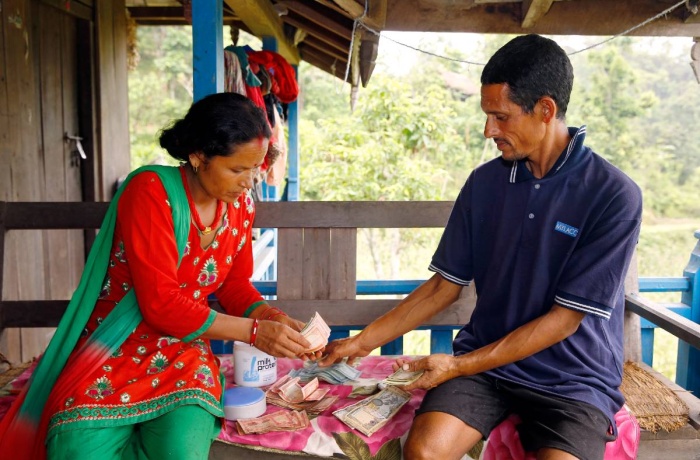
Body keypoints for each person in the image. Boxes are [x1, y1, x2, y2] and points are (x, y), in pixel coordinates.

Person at [321, 34, 642, 460]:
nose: (490, 130)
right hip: (487, 369)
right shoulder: (485, 184)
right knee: (424, 452)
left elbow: (563, 321)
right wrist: (359, 343)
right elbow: (442, 288)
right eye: (487, 115)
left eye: (501, 117)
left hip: (573, 377)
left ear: (546, 110)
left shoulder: (612, 194)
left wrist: (456, 366)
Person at [0, 92, 314, 460]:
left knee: (179, 450)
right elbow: (162, 304)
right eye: (237, 169)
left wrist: (270, 318)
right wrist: (257, 333)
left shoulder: (240, 206)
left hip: (183, 350)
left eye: (255, 169)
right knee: (75, 448)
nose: (248, 183)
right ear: (198, 156)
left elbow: (234, 284)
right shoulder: (150, 191)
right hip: (115, 345)